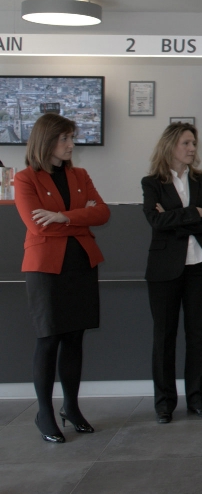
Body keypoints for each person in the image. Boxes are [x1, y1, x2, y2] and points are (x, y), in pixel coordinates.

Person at [14, 113, 110, 443]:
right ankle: (44, 413)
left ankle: (71, 407)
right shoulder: (26, 179)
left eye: (72, 137)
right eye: (64, 138)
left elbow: (103, 213)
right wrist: (78, 218)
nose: (71, 144)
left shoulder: (79, 175)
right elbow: (37, 225)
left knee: (74, 339)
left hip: (80, 263)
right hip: (45, 268)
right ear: (47, 141)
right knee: (48, 339)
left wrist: (61, 217)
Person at [142, 123, 202, 424]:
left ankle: (197, 400)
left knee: (197, 335)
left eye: (193, 143)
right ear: (170, 146)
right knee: (164, 336)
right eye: (186, 143)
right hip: (164, 269)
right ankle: (164, 404)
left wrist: (174, 218)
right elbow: (155, 221)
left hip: (200, 266)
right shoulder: (152, 183)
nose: (192, 148)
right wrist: (192, 213)